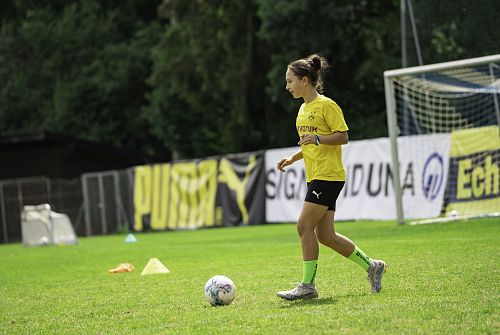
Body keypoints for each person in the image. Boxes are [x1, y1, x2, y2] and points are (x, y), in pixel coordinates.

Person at [276, 54, 386, 301]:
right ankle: (372, 266)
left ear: (304, 80)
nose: (287, 86)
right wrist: (292, 159)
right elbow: (309, 144)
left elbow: (343, 136)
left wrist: (317, 139)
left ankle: (307, 286)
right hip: (316, 176)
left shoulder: (327, 105)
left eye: (290, 80)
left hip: (328, 176)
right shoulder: (303, 110)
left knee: (303, 226)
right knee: (325, 236)